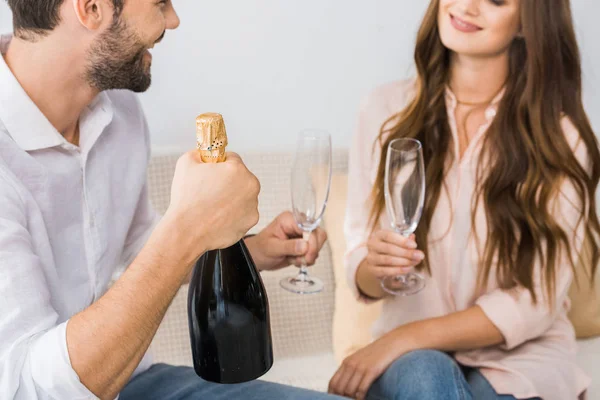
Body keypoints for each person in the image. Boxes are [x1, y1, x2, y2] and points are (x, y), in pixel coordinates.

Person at [0, 1, 343, 399]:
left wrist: (254, 249)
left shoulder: (119, 113)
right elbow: (26, 387)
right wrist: (188, 228)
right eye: (160, 3)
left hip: (127, 380)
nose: (173, 20)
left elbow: (141, 248)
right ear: (91, 7)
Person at [328, 0, 600, 399]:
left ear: (529, 23)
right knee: (426, 375)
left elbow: (536, 299)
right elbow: (360, 263)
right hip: (413, 361)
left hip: (521, 358)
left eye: (495, 0)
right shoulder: (383, 111)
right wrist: (378, 267)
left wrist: (401, 338)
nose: (467, 6)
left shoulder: (561, 137)